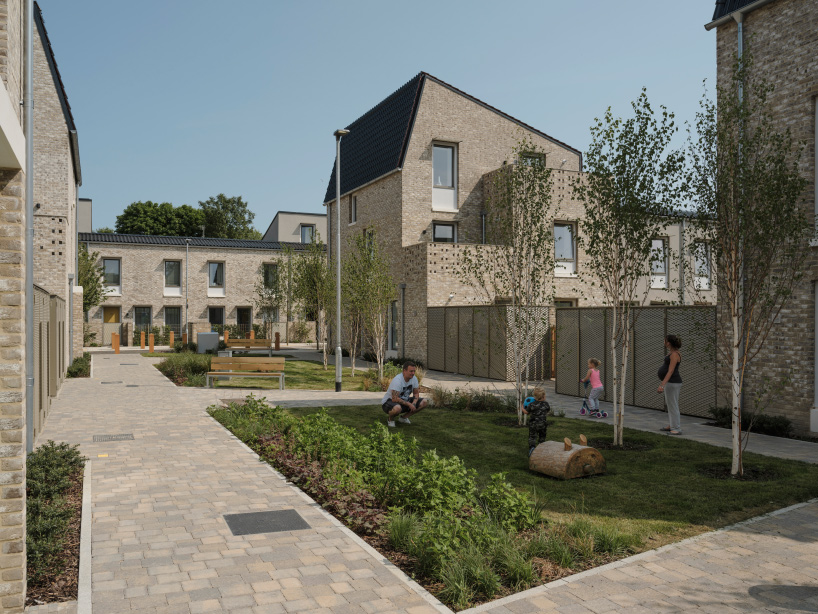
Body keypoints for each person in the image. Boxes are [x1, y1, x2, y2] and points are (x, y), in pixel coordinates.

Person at [382, 361, 428, 427]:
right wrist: (409, 404)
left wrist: (414, 403)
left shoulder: (414, 379)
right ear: (404, 371)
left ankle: (403, 418)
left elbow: (416, 393)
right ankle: (390, 420)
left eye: (414, 371)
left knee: (424, 402)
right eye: (411, 371)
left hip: (404, 400)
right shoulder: (397, 380)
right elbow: (394, 399)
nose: (413, 373)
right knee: (397, 408)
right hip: (389, 402)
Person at [657, 334, 683, 435]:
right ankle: (672, 425)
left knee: (673, 405)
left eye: (665, 340)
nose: (664, 342)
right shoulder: (672, 353)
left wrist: (662, 385)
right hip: (671, 382)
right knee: (671, 404)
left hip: (673, 382)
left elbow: (671, 371)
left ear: (668, 343)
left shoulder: (675, 354)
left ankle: (676, 428)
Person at [522, 386, 550, 456]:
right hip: (543, 424)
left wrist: (522, 407)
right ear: (543, 396)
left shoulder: (531, 404)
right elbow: (547, 411)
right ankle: (541, 447)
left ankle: (532, 448)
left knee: (532, 436)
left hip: (533, 424)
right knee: (542, 436)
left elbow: (526, 412)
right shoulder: (546, 404)